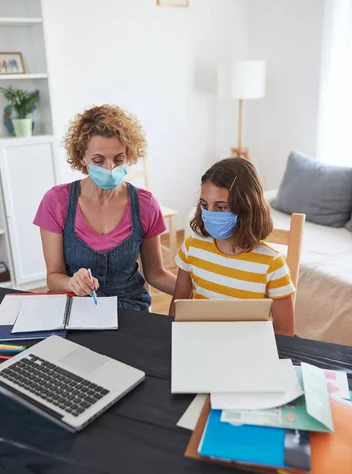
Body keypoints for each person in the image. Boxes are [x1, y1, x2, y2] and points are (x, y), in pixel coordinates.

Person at [34, 104, 176, 311]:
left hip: (130, 307)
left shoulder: (145, 204)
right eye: (98, 160)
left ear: (129, 154)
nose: (110, 169)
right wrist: (71, 283)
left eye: (119, 159)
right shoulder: (56, 201)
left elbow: (156, 274)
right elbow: (53, 277)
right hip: (76, 307)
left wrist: (197, 290)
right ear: (82, 157)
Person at [169, 158, 295, 335]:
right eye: (204, 205)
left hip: (248, 348)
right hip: (199, 340)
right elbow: (177, 309)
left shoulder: (272, 264)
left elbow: (285, 331)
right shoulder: (192, 248)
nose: (209, 214)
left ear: (246, 207)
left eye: (220, 208)